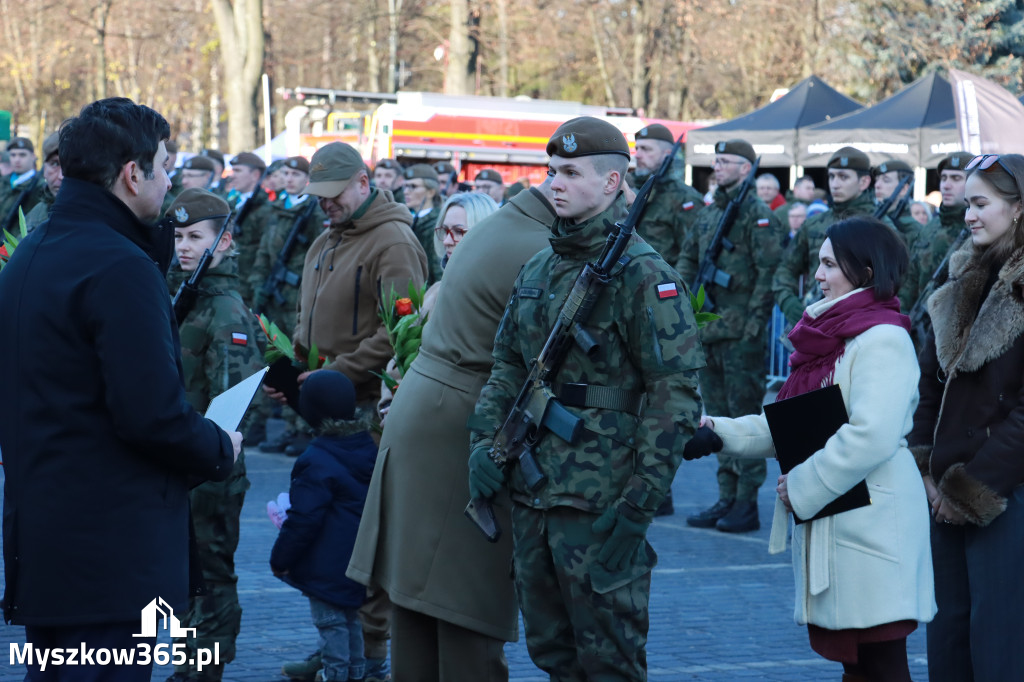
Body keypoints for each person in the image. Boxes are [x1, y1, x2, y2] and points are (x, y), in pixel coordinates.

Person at [0, 97, 241, 681]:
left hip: (48, 536)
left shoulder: (35, 250)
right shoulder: (118, 266)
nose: (170, 181)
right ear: (133, 174)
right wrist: (218, 446)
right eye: (163, 166)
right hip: (108, 548)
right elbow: (150, 415)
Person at [467, 116, 705, 680]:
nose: (555, 182)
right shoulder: (540, 266)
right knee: (551, 653)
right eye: (552, 171)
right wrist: (484, 441)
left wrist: (639, 504)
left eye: (571, 173)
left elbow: (674, 397)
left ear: (611, 183)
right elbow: (507, 365)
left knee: (610, 662)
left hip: (601, 505)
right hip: (533, 492)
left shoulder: (645, 275)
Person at [692, 216, 935, 681]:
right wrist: (717, 431)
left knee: (882, 664)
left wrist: (802, 484)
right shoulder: (831, 337)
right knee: (859, 666)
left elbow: (872, 433)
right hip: (844, 518)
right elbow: (796, 423)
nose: (817, 275)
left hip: (874, 523)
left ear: (864, 271)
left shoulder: (882, 337)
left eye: (828, 264)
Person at [349, 186, 533, 682]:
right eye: (445, 231)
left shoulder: (510, 284)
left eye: (462, 232)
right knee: (412, 595)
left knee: (457, 604)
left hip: (464, 447)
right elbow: (405, 356)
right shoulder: (434, 291)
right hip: (420, 449)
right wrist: (394, 396)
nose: (451, 242)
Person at [270, 141, 428, 682]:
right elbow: (307, 317)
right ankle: (340, 641)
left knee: (368, 538)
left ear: (363, 182)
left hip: (371, 412)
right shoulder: (324, 239)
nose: (324, 204)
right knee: (337, 539)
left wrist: (340, 373)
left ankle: (372, 654)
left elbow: (404, 332)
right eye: (319, 195)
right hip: (330, 407)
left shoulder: (394, 242)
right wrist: (294, 371)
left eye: (333, 194)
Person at [908, 153, 1024, 681]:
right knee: (949, 636)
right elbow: (928, 386)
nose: (968, 215)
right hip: (944, 492)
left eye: (981, 203)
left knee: (999, 642)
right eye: (967, 204)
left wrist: (971, 488)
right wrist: (929, 472)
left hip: (1006, 493)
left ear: (1018, 209)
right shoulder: (960, 280)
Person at [165, 188, 264, 682]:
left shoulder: (225, 311)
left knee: (210, 576)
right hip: (181, 463)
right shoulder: (183, 296)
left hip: (211, 469)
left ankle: (204, 670)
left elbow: (233, 403)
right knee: (184, 577)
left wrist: (207, 457)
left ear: (224, 242)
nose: (184, 246)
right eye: (179, 235)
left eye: (196, 236)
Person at [678, 139, 783, 533]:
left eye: (727, 162)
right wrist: (688, 302)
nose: (717, 167)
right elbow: (688, 257)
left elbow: (768, 273)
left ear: (746, 169)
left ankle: (746, 502)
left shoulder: (757, 215)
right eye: (716, 161)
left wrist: (754, 325)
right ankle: (725, 496)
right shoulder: (708, 216)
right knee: (716, 419)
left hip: (741, 337)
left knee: (744, 419)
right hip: (709, 330)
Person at [271, 370, 378, 682]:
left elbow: (304, 519)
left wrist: (281, 559)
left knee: (331, 625)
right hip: (357, 561)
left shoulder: (316, 458)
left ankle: (335, 675)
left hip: (325, 565)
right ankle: (357, 674)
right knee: (350, 621)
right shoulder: (365, 446)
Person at [774, 147, 896, 325]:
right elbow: (784, 269)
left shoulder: (881, 226)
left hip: (861, 323)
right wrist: (792, 306)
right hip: (815, 321)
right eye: (831, 176)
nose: (835, 183)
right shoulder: (814, 223)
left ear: (863, 182)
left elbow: (896, 281)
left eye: (843, 177)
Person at [902, 151, 973, 323]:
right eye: (944, 178)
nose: (946, 186)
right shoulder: (929, 228)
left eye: (956, 179)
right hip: (920, 325)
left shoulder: (978, 227)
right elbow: (910, 280)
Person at [630, 123, 704, 276]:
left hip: (663, 287)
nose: (637, 155)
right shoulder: (630, 190)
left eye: (646, 149)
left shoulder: (684, 198)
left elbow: (691, 257)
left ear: (667, 154)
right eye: (637, 148)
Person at [402, 163, 445, 284]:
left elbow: (439, 272)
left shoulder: (437, 224)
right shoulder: (409, 219)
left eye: (413, 186)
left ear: (430, 192)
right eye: (405, 186)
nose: (406, 192)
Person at [0, 136, 46, 233]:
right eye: (13, 155)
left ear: (33, 157)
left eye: (22, 155)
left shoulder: (40, 186)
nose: (17, 159)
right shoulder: (3, 181)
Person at [872, 159, 920, 248]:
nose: (877, 185)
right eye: (877, 180)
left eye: (886, 180)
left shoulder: (914, 230)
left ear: (904, 189)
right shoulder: (869, 216)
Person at [24, 132, 62, 232]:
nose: (61, 176)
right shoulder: (38, 212)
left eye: (71, 164)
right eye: (55, 164)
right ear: (44, 169)